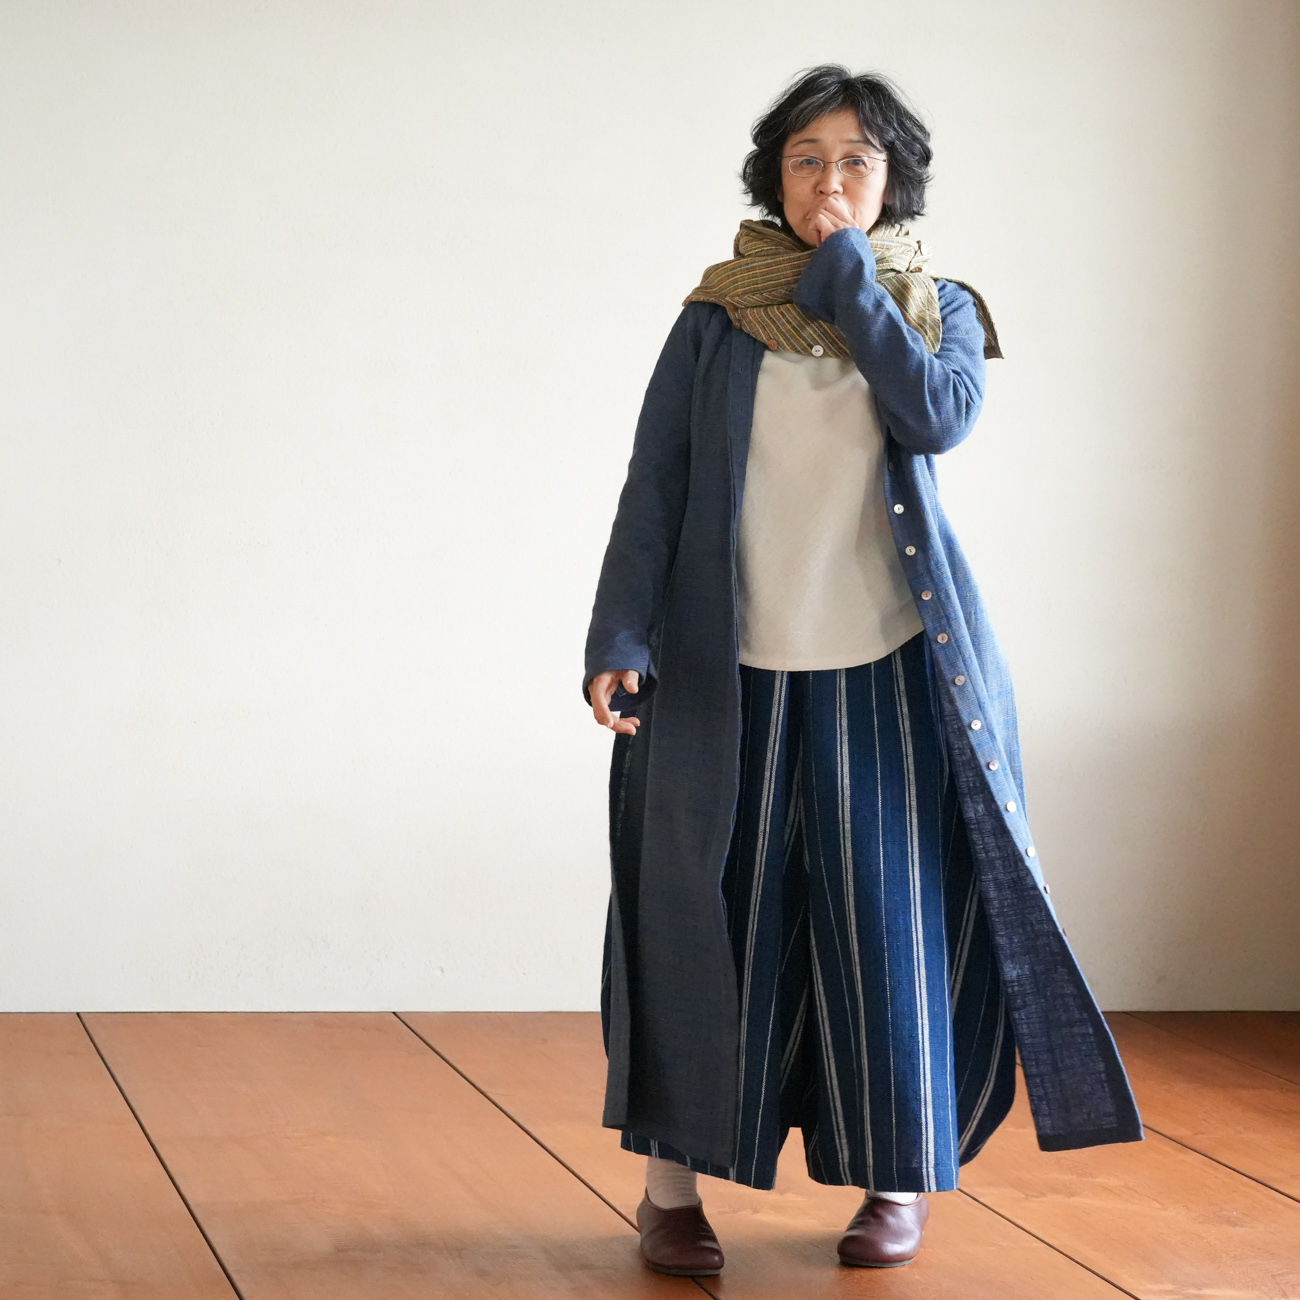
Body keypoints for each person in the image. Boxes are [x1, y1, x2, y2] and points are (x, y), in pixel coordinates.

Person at [582, 64, 1142, 1277]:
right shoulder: (714, 318)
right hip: (724, 676)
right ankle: (669, 1191)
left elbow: (937, 416)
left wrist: (848, 282)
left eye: (854, 161)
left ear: (893, 181)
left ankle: (897, 1181)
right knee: (701, 922)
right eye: (804, 160)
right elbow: (654, 485)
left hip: (888, 676)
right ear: (770, 177)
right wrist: (618, 638)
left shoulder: (939, 308)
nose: (827, 180)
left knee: (883, 933)